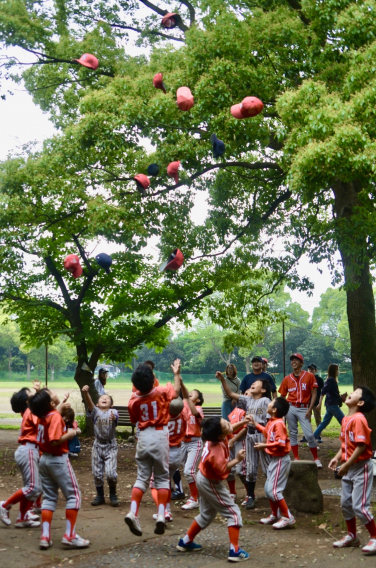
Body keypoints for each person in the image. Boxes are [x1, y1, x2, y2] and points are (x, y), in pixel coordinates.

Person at [176, 416, 250, 562]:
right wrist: (237, 460)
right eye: (226, 424)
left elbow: (229, 429)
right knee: (233, 513)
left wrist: (243, 422)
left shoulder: (214, 436)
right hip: (210, 482)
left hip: (203, 478)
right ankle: (234, 551)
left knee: (206, 514)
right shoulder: (216, 449)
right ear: (221, 435)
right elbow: (222, 469)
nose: (230, 424)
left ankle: (185, 541)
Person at [124, 360, 180, 537]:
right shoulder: (162, 391)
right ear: (153, 379)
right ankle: (162, 515)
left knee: (142, 477)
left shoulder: (133, 400)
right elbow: (176, 392)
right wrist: (176, 373)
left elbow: (134, 421)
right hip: (160, 435)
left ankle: (133, 512)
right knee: (162, 478)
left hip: (143, 436)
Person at [28, 388, 89, 550]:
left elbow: (53, 414)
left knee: (48, 498)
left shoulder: (43, 416)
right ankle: (70, 536)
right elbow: (55, 440)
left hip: (44, 460)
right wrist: (71, 433)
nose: (52, 391)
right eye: (50, 393)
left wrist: (59, 406)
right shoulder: (54, 416)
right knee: (74, 495)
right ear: (51, 403)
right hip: (58, 460)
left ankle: (45, 536)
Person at [329, 386, 376, 555]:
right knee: (346, 504)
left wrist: (347, 464)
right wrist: (337, 457)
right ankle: (352, 536)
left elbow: (361, 447)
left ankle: (375, 538)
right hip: (349, 467)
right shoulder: (346, 419)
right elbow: (345, 444)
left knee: (359, 506)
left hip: (361, 468)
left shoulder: (359, 419)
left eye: (355, 393)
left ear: (360, 402)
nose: (351, 393)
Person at [216, 371, 272, 509]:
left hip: (261, 435)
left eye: (256, 384)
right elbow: (230, 394)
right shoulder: (248, 400)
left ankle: (273, 492)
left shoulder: (266, 401)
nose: (252, 384)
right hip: (249, 436)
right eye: (252, 384)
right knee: (251, 467)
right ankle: (251, 496)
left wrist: (265, 442)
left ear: (263, 389)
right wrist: (223, 380)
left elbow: (269, 422)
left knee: (267, 468)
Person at [0, 382, 42, 528]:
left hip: (29, 450)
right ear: (27, 401)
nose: (34, 395)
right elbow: (44, 421)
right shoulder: (31, 412)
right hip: (29, 450)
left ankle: (23, 517)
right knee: (33, 488)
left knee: (31, 487)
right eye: (31, 394)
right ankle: (4, 506)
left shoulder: (28, 412)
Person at [249, 397, 295, 529]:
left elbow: (280, 443)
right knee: (268, 489)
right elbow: (267, 432)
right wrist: (255, 424)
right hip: (274, 460)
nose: (268, 403)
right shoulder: (272, 421)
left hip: (281, 460)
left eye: (271, 402)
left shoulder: (279, 423)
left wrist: (264, 446)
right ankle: (275, 514)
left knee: (274, 491)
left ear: (274, 409)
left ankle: (288, 517)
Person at [278, 353, 322, 467]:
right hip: (290, 407)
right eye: (292, 360)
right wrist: (283, 412)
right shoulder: (287, 378)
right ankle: (296, 458)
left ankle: (316, 459)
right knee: (292, 433)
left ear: (301, 363)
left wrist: (309, 409)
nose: (293, 361)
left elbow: (314, 394)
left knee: (309, 435)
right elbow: (282, 396)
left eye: (296, 360)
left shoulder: (309, 376)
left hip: (304, 408)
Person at [150, 395, 189, 522]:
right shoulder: (183, 415)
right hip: (177, 453)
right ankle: (168, 511)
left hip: (164, 452)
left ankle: (163, 511)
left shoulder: (163, 416)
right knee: (166, 482)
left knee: (155, 484)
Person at [82, 386, 119, 507]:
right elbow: (90, 403)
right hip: (97, 446)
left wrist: (114, 418)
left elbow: (116, 418)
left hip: (110, 446)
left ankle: (113, 494)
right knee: (97, 473)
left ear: (111, 404)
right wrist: (86, 393)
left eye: (107, 398)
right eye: (102, 398)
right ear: (97, 404)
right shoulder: (95, 412)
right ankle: (100, 496)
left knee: (111, 473)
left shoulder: (113, 412)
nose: (104, 398)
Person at [180, 387, 205, 510]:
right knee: (188, 471)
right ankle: (198, 496)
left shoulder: (198, 408)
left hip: (194, 442)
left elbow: (195, 413)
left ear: (198, 400)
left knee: (188, 471)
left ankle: (194, 499)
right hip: (183, 442)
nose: (190, 394)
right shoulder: (184, 407)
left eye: (193, 394)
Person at [313, 364, 346, 441]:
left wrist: (341, 397)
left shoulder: (332, 380)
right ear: (334, 370)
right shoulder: (331, 380)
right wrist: (320, 403)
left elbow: (332, 394)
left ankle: (312, 438)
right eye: (338, 369)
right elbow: (323, 391)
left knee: (323, 424)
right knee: (345, 422)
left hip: (330, 405)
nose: (338, 371)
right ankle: (351, 438)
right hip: (333, 406)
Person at [300, 364, 325, 443]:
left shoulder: (319, 380)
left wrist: (320, 403)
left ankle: (318, 435)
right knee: (307, 419)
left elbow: (322, 392)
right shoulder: (305, 379)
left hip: (316, 402)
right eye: (309, 369)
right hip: (307, 402)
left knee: (318, 419)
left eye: (312, 369)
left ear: (315, 370)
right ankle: (307, 435)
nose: (310, 371)